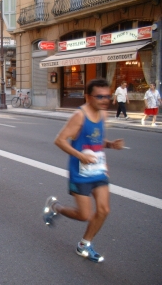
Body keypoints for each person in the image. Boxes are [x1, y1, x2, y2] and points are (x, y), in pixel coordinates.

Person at [43, 79, 124, 263]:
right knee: (84, 215)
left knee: (104, 210)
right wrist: (80, 156)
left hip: (98, 170)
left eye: (107, 96)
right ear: (88, 97)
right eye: (100, 97)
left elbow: (97, 140)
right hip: (80, 172)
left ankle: (84, 244)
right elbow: (60, 140)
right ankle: (55, 207)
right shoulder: (79, 116)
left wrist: (110, 144)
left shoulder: (103, 115)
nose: (105, 100)